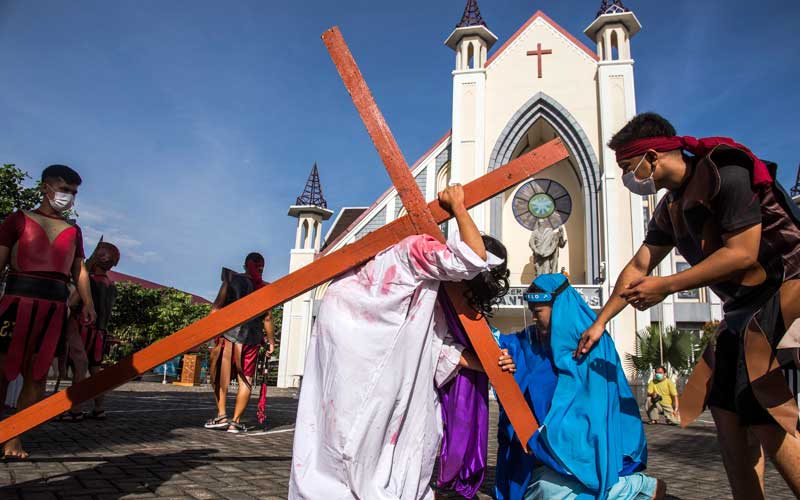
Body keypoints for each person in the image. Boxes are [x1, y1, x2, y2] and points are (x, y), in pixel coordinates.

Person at [575, 112, 800, 499]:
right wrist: (601, 322)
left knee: (764, 412)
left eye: (629, 167)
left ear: (651, 156)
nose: (629, 178)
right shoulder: (670, 208)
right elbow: (639, 265)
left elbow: (742, 254)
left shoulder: (725, 172)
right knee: (727, 419)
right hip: (739, 313)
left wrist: (666, 286)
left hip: (783, 296)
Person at [288, 184, 515, 500]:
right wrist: (458, 206)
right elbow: (472, 258)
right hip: (366, 358)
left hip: (372, 359)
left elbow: (438, 348)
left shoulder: (430, 289)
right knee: (357, 442)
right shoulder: (416, 250)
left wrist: (487, 364)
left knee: (391, 441)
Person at [495, 274, 664, 500]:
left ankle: (637, 487)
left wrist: (557, 432)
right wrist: (502, 357)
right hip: (549, 451)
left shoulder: (592, 343)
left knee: (551, 493)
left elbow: (596, 407)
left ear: (559, 308)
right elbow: (496, 344)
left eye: (538, 312)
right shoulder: (529, 341)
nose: (533, 318)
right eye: (532, 311)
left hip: (582, 445)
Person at [0, 164, 96, 458]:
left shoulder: (73, 230)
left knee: (38, 374)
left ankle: (14, 437)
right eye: (64, 189)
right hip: (17, 298)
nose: (68, 196)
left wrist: (88, 302)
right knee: (1, 369)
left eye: (73, 192)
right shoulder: (18, 219)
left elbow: (79, 269)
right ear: (45, 187)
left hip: (54, 305)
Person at [204, 252, 275, 433]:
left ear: (245, 265)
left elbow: (216, 308)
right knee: (246, 379)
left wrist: (208, 332)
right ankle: (235, 422)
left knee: (221, 376)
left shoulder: (232, 280)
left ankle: (221, 415)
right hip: (251, 339)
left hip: (228, 336)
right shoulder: (263, 288)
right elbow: (267, 319)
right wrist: (272, 342)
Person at [61, 239, 120, 421]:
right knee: (95, 370)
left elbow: (72, 303)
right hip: (100, 333)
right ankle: (99, 408)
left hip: (82, 327)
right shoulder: (112, 286)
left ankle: (75, 409)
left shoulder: (90, 281)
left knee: (80, 367)